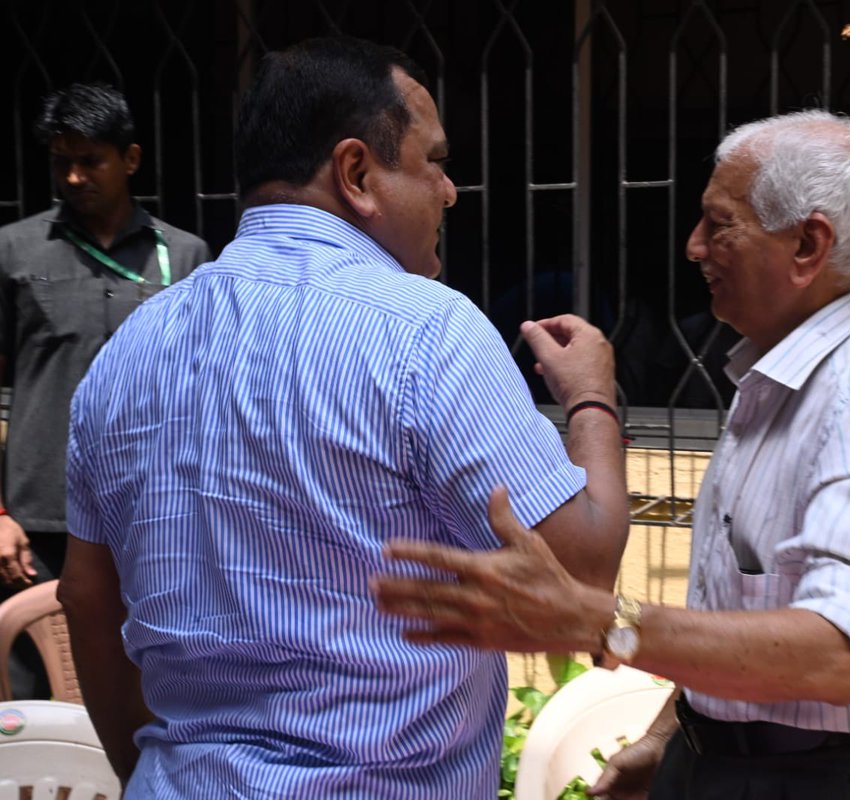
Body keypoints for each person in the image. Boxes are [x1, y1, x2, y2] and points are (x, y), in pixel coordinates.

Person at [58, 37, 628, 798]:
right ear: (357, 172)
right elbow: (582, 575)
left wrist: (160, 775)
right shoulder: (426, 332)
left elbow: (86, 601)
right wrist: (593, 400)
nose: (450, 191)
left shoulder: (124, 356)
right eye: (434, 161)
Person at [375, 109, 850, 799]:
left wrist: (599, 622)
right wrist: (674, 734)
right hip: (727, 761)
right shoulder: (774, 383)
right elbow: (746, 615)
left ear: (807, 245)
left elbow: (838, 652)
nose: (693, 247)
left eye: (719, 224)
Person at [0, 83, 210, 697]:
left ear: (131, 160)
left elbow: (202, 392)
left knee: (145, 684)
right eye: (61, 161)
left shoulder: (187, 257)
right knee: (37, 689)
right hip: (37, 525)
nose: (72, 177)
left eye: (89, 160)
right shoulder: (15, 251)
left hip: (149, 516)